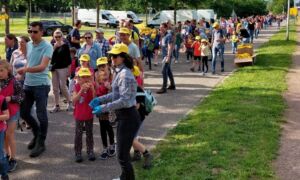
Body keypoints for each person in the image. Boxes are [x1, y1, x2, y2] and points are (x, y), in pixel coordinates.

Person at [89, 44, 141, 180]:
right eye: (111, 55)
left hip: (128, 117)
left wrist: (103, 107)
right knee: (121, 153)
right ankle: (124, 177)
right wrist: (99, 99)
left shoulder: (125, 75)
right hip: (123, 116)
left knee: (122, 155)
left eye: (115, 56)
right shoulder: (119, 71)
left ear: (123, 57)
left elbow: (124, 101)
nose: (112, 58)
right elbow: (114, 94)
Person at [18, 21, 53, 158]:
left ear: (42, 32)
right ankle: (37, 134)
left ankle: (41, 142)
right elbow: (30, 61)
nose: (32, 34)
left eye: (35, 31)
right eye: (30, 31)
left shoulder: (47, 46)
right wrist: (23, 74)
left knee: (41, 114)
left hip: (41, 85)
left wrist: (26, 69)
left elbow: (42, 66)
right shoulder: (28, 45)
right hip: (28, 84)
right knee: (24, 113)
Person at [0, 60, 24, 173]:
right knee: (4, 135)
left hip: (13, 111)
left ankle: (13, 159)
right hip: (2, 113)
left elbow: (21, 96)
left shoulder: (15, 82)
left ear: (8, 70)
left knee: (9, 134)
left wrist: (11, 98)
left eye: (1, 71)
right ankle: (7, 155)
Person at [131, 66, 153, 170]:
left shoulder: (137, 89)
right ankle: (137, 154)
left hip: (137, 117)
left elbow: (137, 106)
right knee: (133, 137)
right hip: (135, 117)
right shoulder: (133, 87)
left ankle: (147, 154)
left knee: (130, 138)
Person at [72, 67, 96, 163]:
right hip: (79, 115)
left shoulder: (92, 86)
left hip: (89, 114)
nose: (85, 79)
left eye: (87, 77)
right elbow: (74, 101)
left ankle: (90, 151)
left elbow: (95, 100)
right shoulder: (77, 86)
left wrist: (93, 89)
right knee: (78, 134)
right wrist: (81, 90)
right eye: (83, 77)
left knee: (89, 133)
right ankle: (78, 152)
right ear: (78, 78)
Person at [95, 59, 116, 160]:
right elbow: (96, 94)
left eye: (104, 65)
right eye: (100, 66)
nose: (102, 67)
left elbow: (115, 94)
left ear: (107, 65)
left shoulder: (113, 76)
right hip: (100, 108)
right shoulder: (98, 78)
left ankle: (112, 145)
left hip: (110, 108)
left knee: (108, 126)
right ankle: (105, 148)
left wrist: (110, 88)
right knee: (102, 127)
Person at [50, 29, 72, 113]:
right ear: (53, 37)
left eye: (59, 36)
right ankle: (57, 105)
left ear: (62, 37)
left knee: (63, 86)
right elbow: (49, 57)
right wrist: (54, 48)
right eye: (56, 36)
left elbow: (69, 60)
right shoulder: (52, 45)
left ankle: (69, 101)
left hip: (63, 68)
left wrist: (69, 71)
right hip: (54, 68)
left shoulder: (65, 46)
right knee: (55, 88)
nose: (57, 38)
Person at [157, 23, 176, 94]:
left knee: (163, 70)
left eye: (162, 27)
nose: (160, 29)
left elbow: (170, 47)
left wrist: (168, 57)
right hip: (165, 55)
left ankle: (164, 88)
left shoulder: (168, 35)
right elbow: (163, 45)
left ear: (166, 28)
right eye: (160, 27)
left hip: (168, 56)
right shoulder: (164, 35)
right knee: (168, 71)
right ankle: (172, 85)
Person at [0, 86, 10, 180]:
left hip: (0, 130)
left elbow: (7, 116)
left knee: (0, 156)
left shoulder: (1, 99)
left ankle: (4, 174)